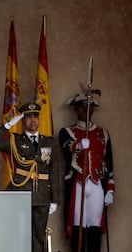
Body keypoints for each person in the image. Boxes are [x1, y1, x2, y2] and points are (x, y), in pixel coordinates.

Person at [0, 102, 59, 252]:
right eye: (28, 117)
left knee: (38, 237)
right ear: (22, 120)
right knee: (19, 235)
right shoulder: (15, 140)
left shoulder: (50, 142)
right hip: (20, 194)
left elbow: (55, 172)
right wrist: (9, 124)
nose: (33, 120)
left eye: (35, 116)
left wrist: (55, 199)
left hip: (42, 195)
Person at [59, 92, 115, 252]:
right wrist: (77, 146)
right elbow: (66, 145)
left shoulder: (103, 134)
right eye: (83, 106)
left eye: (90, 107)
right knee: (78, 225)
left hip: (97, 185)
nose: (87, 110)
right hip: (77, 183)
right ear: (76, 109)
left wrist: (110, 190)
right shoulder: (67, 131)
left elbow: (109, 163)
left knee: (94, 226)